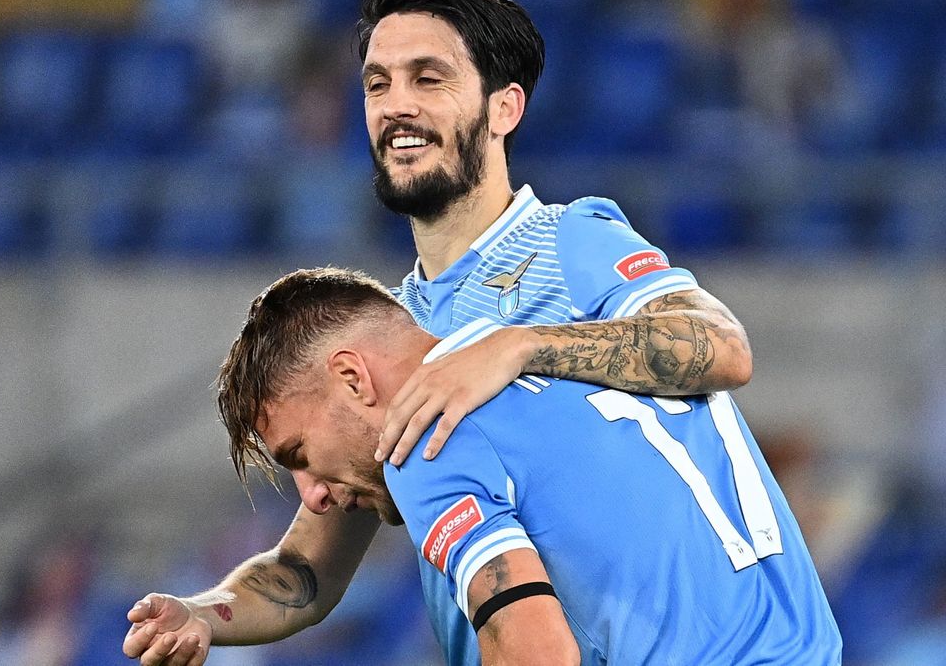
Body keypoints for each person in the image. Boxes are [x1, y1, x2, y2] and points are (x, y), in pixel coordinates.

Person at [125, 0, 758, 665]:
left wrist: (516, 347)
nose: (396, 105)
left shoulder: (568, 241)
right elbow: (305, 572)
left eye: (428, 79)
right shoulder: (392, 335)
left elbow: (723, 347)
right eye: (377, 84)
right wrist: (204, 612)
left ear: (504, 108)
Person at [149, 267, 844, 664]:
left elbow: (536, 654)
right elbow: (726, 351)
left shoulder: (427, 440)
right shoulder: (589, 341)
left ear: (355, 379)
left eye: (299, 457)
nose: (312, 496)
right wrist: (203, 612)